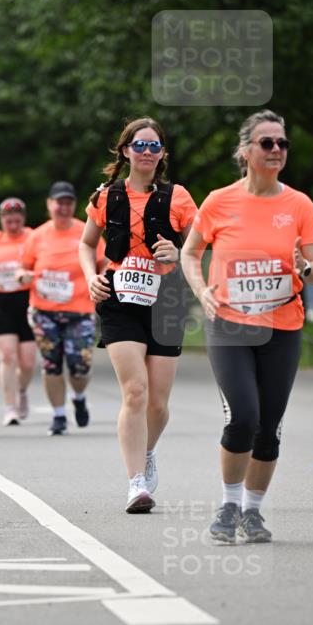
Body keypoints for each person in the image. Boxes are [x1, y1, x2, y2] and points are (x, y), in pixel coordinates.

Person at [181, 110, 313, 543]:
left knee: (270, 426)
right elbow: (190, 253)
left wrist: (305, 268)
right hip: (230, 325)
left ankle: (253, 512)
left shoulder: (298, 204)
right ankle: (228, 504)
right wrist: (202, 291)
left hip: (283, 326)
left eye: (282, 143)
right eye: (267, 143)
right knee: (244, 416)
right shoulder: (219, 201)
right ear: (246, 151)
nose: (277, 150)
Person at [80, 117, 198, 512]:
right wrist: (90, 277)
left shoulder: (179, 198)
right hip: (118, 298)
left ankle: (147, 452)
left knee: (158, 405)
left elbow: (202, 248)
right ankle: (136, 485)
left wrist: (178, 254)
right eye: (139, 145)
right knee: (135, 391)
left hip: (166, 300)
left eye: (154, 146)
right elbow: (86, 244)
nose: (146, 152)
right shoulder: (104, 197)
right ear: (125, 150)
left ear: (162, 154)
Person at [20, 181, 105, 436]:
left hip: (79, 310)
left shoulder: (85, 232)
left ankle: (78, 396)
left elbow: (103, 263)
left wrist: (103, 279)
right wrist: (22, 276)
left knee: (80, 364)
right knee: (51, 364)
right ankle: (58, 415)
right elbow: (24, 267)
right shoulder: (37, 236)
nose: (63, 207)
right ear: (49, 205)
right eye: (59, 202)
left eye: (68, 203)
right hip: (43, 310)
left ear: (74, 206)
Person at [0, 197, 36, 426]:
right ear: (1, 220)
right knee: (7, 355)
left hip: (27, 299)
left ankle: (21, 390)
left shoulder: (33, 238)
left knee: (27, 362)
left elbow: (45, 264)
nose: (13, 226)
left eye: (17, 221)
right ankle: (10, 407)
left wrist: (29, 274)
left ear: (23, 219)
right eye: (8, 221)